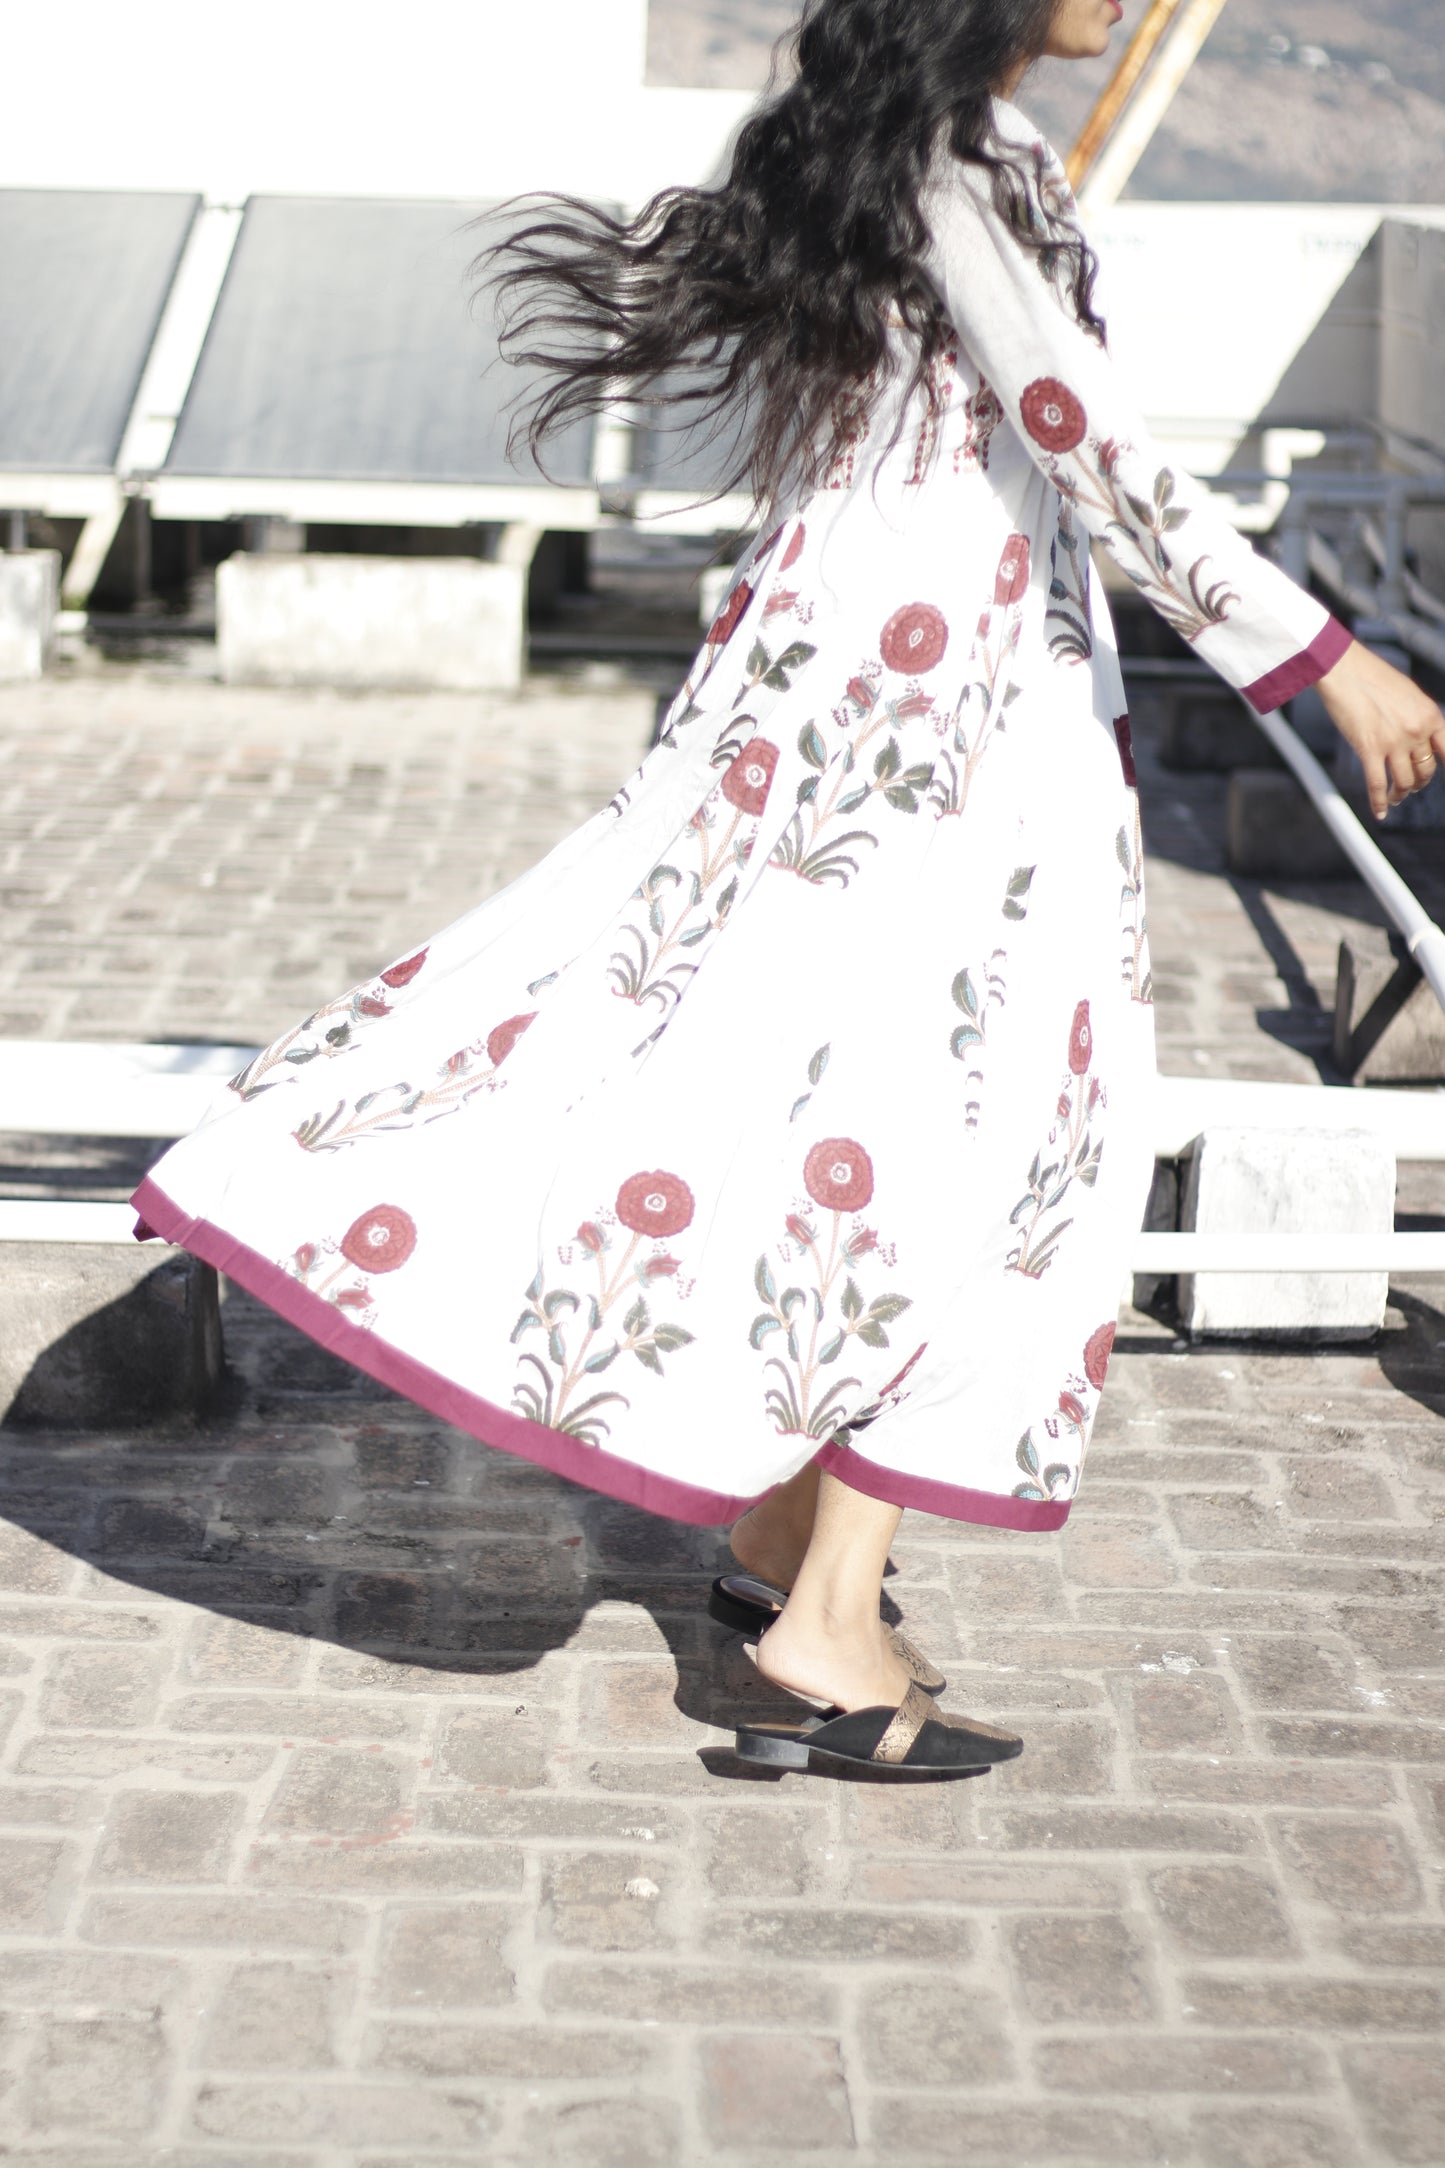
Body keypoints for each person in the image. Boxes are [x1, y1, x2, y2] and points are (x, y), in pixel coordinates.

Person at [133, 0, 1445, 1781]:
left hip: (935, 705)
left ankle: (784, 1549)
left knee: (907, 1111)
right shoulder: (944, 169)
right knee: (960, 1133)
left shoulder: (972, 156)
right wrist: (1318, 655)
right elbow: (1085, 436)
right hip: (905, 730)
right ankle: (820, 1616)